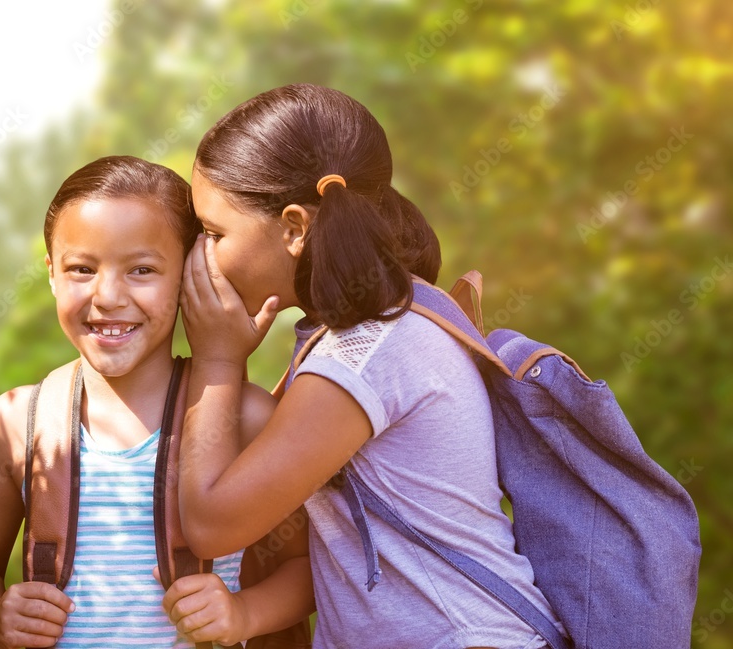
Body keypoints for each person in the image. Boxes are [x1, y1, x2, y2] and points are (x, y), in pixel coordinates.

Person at [177, 84, 563, 648]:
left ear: (293, 227)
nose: (201, 257)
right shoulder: (385, 326)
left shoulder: (361, 357)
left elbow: (212, 524)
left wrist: (216, 358)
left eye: (214, 233)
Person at [0, 155, 314, 649]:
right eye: (81, 269)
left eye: (142, 270)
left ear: (189, 274)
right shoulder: (15, 422)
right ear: (51, 273)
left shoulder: (245, 417)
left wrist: (243, 612)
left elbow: (308, 565)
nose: (108, 296)